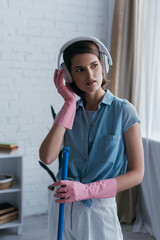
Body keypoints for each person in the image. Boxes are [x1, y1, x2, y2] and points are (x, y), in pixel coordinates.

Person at [39, 36, 144, 240]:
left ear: (103, 65)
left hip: (98, 211)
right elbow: (47, 156)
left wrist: (86, 190)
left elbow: (137, 173)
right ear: (69, 76)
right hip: (62, 208)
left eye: (94, 65)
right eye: (79, 69)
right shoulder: (71, 112)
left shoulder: (124, 111)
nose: (90, 74)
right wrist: (69, 103)